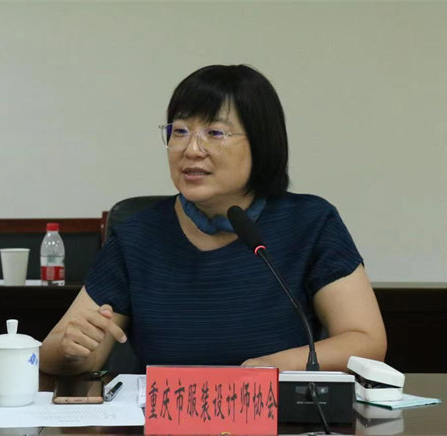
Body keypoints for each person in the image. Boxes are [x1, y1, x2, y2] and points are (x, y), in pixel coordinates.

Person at [40, 64, 386, 375]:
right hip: (163, 417)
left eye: (215, 133)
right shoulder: (138, 235)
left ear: (262, 143)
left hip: (276, 415)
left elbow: (366, 341)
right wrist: (70, 349)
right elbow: (60, 351)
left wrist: (276, 366)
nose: (191, 149)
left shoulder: (309, 223)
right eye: (180, 131)